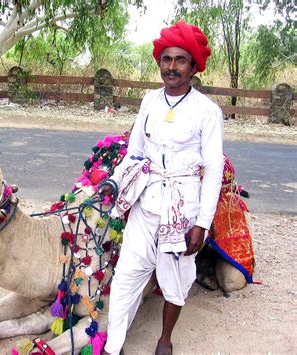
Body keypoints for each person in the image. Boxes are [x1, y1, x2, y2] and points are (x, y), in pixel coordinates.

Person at [100, 21, 224, 355]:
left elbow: (213, 169)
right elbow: (135, 152)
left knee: (175, 278)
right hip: (146, 202)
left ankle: (165, 339)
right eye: (166, 59)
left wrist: (201, 223)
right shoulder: (150, 102)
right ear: (160, 63)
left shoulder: (207, 112)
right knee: (126, 275)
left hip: (183, 210)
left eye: (180, 60)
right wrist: (115, 184)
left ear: (194, 66)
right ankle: (113, 346)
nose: (171, 66)